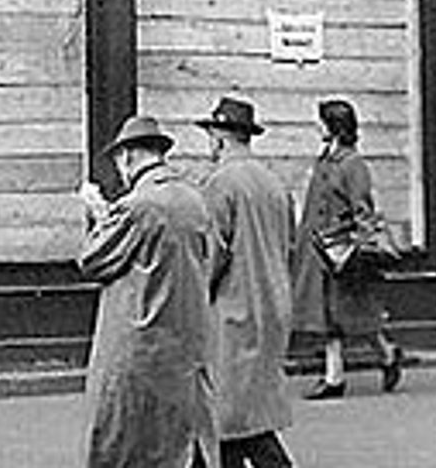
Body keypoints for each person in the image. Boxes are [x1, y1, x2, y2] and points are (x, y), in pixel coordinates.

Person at [77, 114, 218, 468]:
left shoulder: (138, 206)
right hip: (186, 345)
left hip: (141, 349)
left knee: (129, 446)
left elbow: (93, 260)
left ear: (127, 157)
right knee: (182, 443)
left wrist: (99, 213)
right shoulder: (193, 200)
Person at [194, 96, 297, 468]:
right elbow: (289, 245)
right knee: (248, 417)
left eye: (211, 136)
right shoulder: (275, 184)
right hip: (272, 306)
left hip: (232, 312)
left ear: (220, 139)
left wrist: (193, 302)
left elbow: (211, 256)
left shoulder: (220, 184)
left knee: (227, 421)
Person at [291, 98, 405, 398]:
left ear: (333, 126)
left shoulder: (353, 164)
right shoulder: (326, 159)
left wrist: (357, 248)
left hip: (340, 252)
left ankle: (387, 355)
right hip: (319, 252)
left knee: (352, 314)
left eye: (321, 121)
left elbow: (364, 210)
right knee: (330, 316)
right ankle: (335, 377)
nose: (317, 126)